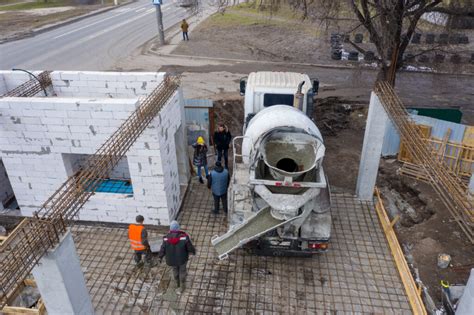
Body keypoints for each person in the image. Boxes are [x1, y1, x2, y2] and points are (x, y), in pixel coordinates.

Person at [158, 220, 196, 294]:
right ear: (178, 228)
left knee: (175, 270)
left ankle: (177, 283)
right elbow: (189, 247)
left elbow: (162, 249)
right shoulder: (184, 237)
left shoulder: (166, 238)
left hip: (171, 260)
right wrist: (193, 251)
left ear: (170, 229)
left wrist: (160, 257)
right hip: (182, 259)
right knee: (182, 271)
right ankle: (182, 285)